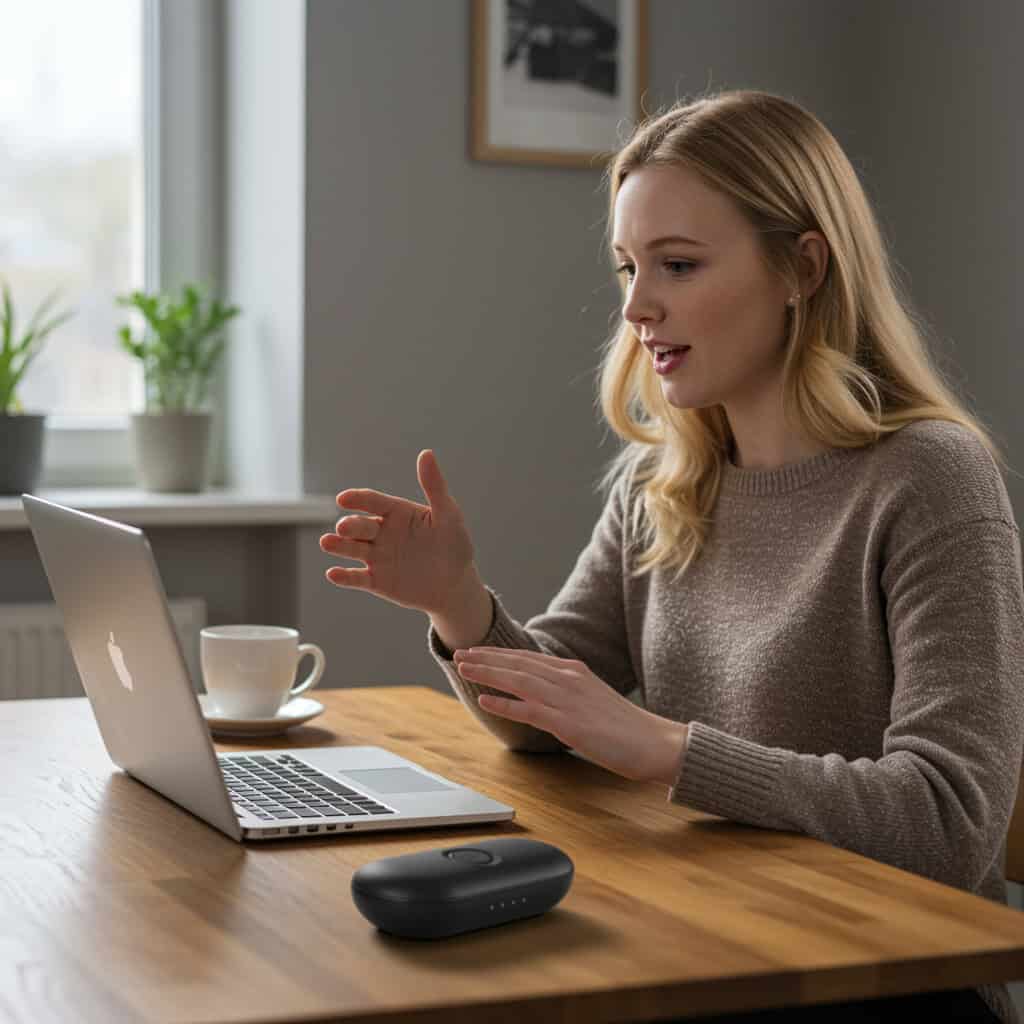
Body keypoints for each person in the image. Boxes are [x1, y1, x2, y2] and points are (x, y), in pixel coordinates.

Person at [319, 89, 1022, 1023]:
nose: (637, 306)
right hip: (716, 935)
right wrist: (459, 602)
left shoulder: (930, 477)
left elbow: (949, 819)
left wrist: (665, 749)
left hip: (886, 979)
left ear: (803, 267)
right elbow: (549, 722)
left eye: (678, 265)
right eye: (628, 266)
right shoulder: (665, 481)